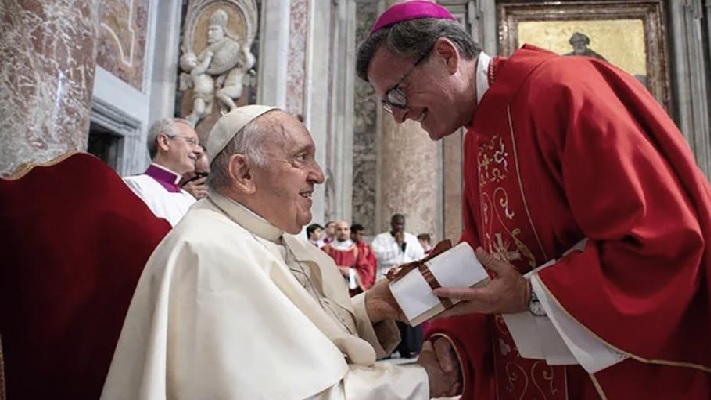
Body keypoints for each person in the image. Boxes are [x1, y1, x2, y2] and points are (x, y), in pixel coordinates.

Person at [356, 1, 711, 399]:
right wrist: (447, 340)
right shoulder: (479, 135)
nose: (399, 116)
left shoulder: (564, 90)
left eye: (399, 94)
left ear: (445, 55)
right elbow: (486, 258)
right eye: (389, 105)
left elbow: (659, 241)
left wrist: (530, 296)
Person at [100, 105, 461, 399]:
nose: (318, 175)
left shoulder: (272, 238)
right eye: (301, 158)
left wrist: (372, 307)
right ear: (243, 172)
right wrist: (424, 380)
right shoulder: (208, 254)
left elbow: (305, 339)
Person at [124, 118, 202, 226]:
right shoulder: (134, 187)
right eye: (191, 142)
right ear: (164, 142)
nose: (199, 151)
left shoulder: (189, 200)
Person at [371, 214, 426, 359]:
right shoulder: (381, 239)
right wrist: (397, 246)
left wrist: (404, 246)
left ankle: (409, 348)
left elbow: (419, 256)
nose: (399, 227)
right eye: (396, 224)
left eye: (401, 225)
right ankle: (388, 348)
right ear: (392, 224)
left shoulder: (411, 239)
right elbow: (377, 255)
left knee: (407, 315)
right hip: (387, 281)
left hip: (408, 282)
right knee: (388, 314)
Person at [322, 221, 377, 296]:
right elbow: (317, 267)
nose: (343, 232)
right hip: (330, 289)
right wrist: (336, 269)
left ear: (349, 232)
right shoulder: (325, 249)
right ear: (335, 231)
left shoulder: (357, 251)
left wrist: (351, 272)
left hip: (350, 291)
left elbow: (366, 270)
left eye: (345, 229)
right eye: (339, 229)